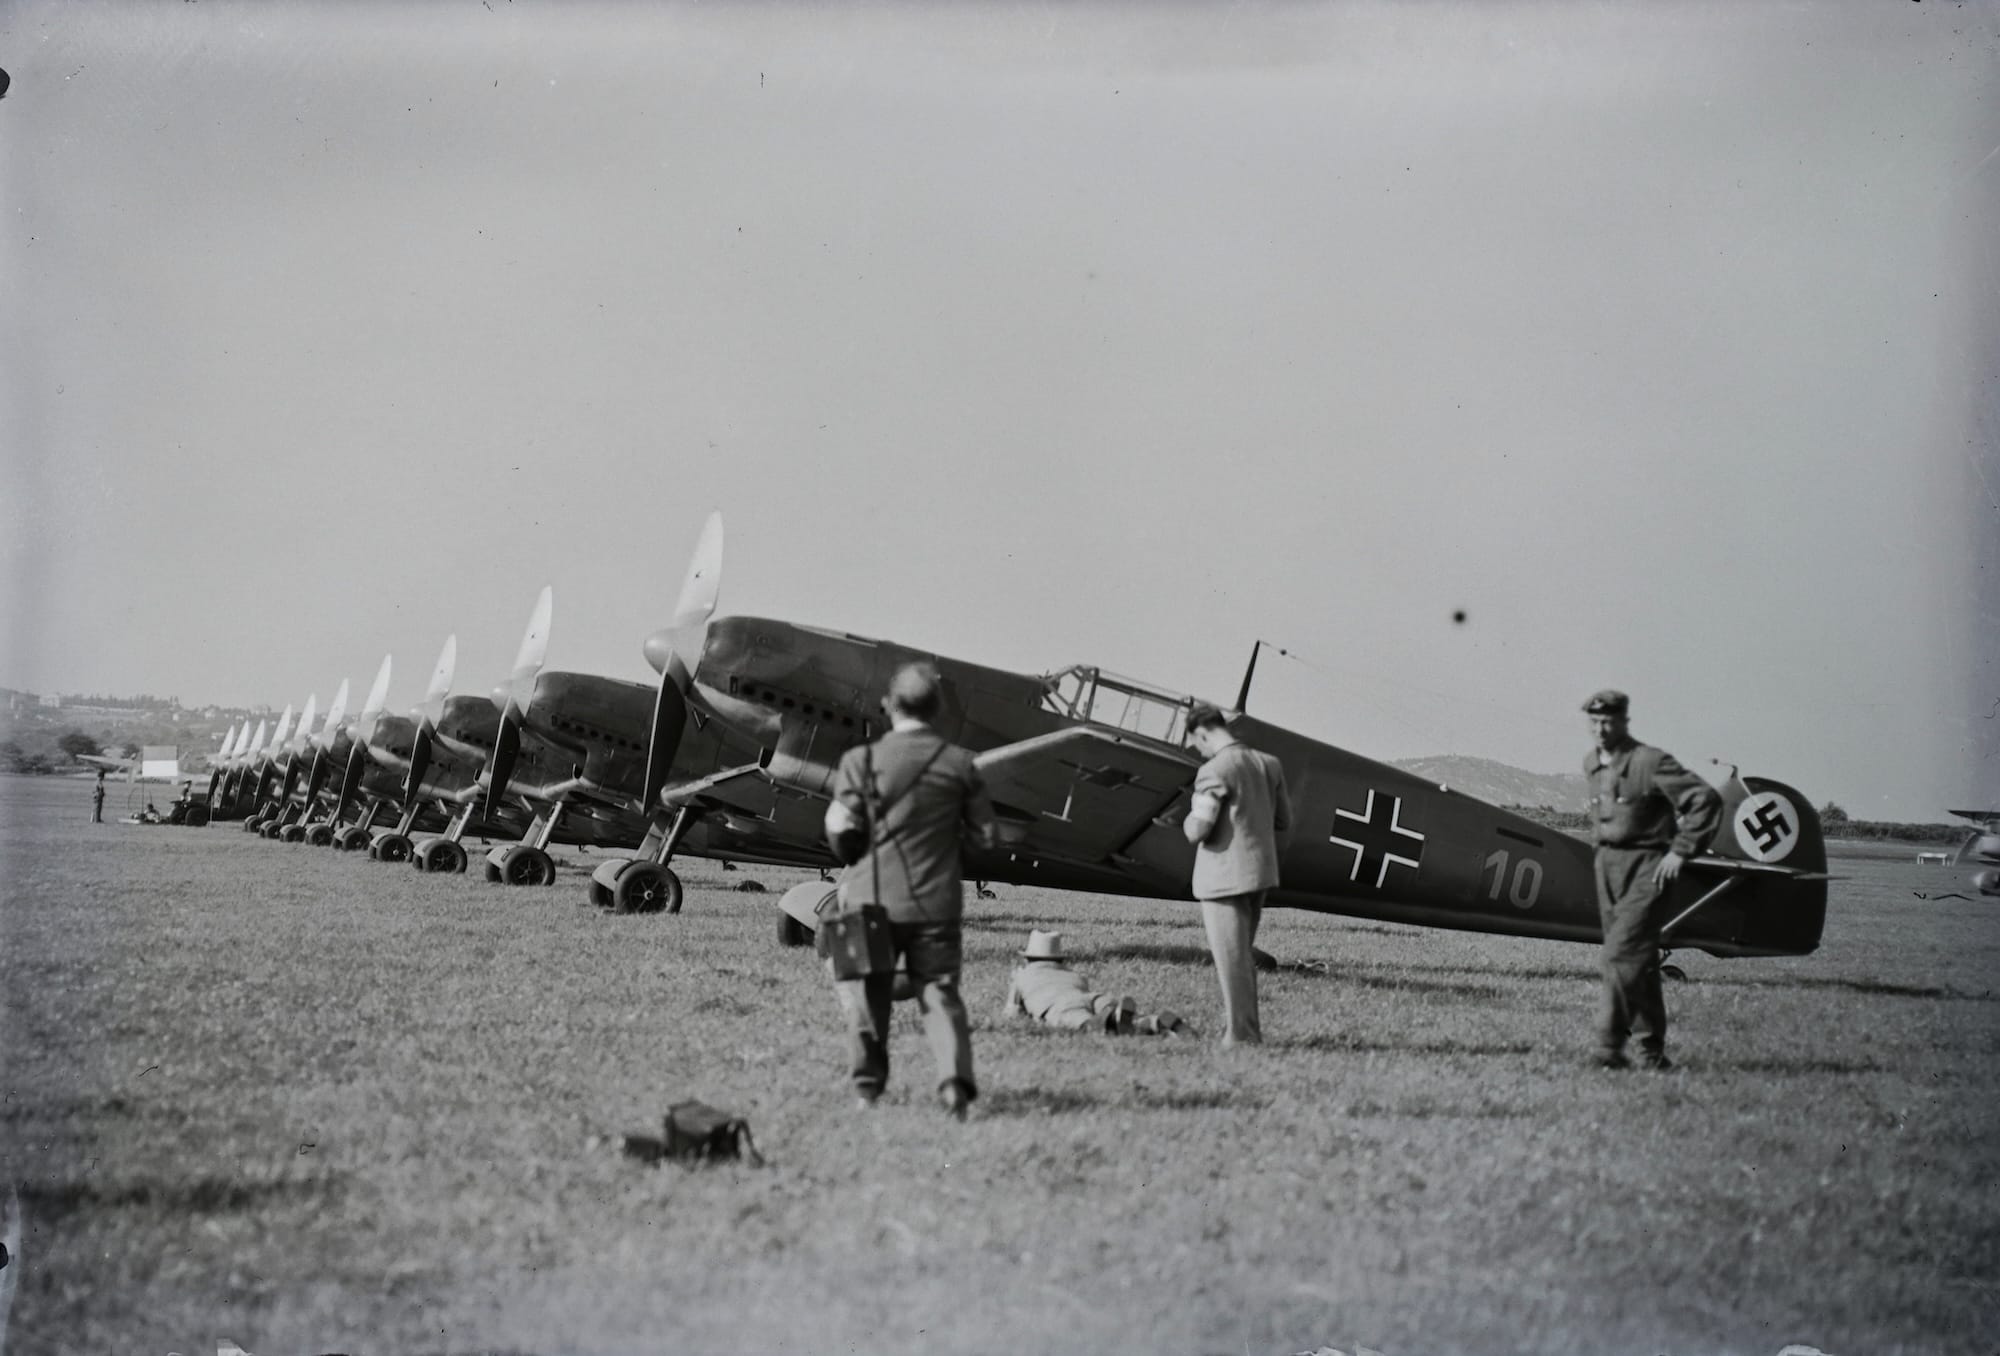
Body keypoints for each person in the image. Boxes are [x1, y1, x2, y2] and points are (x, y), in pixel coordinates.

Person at [823, 662, 998, 1118]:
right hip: (936, 904)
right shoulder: (961, 765)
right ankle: (955, 1086)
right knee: (940, 995)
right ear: (938, 709)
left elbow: (841, 831)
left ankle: (867, 1090)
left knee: (867, 997)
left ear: (888, 706)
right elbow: (987, 839)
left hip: (869, 900)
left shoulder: (858, 762)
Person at [1582, 689, 1722, 1072]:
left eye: (1608, 721)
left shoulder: (1650, 761)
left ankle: (1607, 1050)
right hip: (1607, 865)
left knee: (1618, 955)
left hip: (1647, 865)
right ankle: (1650, 1054)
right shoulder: (1592, 763)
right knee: (1640, 962)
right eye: (1594, 721)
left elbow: (1704, 799)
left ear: (1625, 721)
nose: (1600, 729)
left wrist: (1681, 851)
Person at [1182, 702, 1292, 1046]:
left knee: (1231, 961)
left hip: (1223, 878)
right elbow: (1283, 820)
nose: (1199, 751)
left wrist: (1184, 820)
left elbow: (1198, 829)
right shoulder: (1268, 764)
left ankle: (1241, 1037)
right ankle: (1246, 1031)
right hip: (1259, 874)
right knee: (1242, 957)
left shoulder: (1214, 771)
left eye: (1197, 744)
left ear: (1202, 733)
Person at [1001, 930, 1186, 1036]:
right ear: (1059, 959)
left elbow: (1012, 1014)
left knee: (1090, 1025)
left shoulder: (1022, 977)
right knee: (1119, 1018)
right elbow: (1082, 988)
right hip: (1090, 997)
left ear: (1028, 959)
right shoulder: (1072, 974)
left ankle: (1110, 1023)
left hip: (1059, 1006)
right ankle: (1152, 1021)